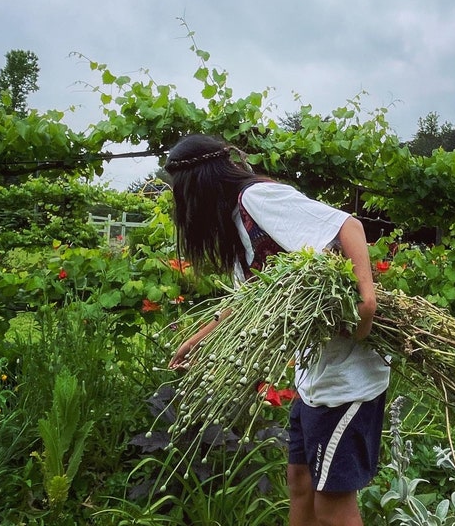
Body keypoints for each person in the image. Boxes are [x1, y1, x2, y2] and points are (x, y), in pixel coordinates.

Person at [165, 134, 390, 526]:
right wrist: (200, 341)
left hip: (346, 375)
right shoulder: (235, 228)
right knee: (300, 482)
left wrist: (366, 297)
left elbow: (346, 225)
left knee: (330, 502)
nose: (180, 205)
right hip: (313, 376)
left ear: (198, 184)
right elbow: (246, 304)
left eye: (180, 193)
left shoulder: (256, 200)